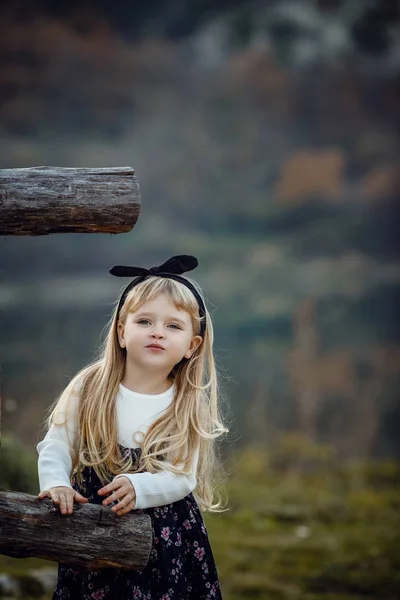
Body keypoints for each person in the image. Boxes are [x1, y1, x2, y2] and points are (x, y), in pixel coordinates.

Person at [36, 254, 229, 600]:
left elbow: (182, 477)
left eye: (173, 326)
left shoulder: (184, 403)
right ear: (122, 333)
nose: (157, 331)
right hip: (93, 521)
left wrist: (140, 487)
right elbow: (57, 445)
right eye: (145, 321)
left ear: (191, 346)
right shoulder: (91, 386)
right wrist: (56, 484)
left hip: (164, 534)